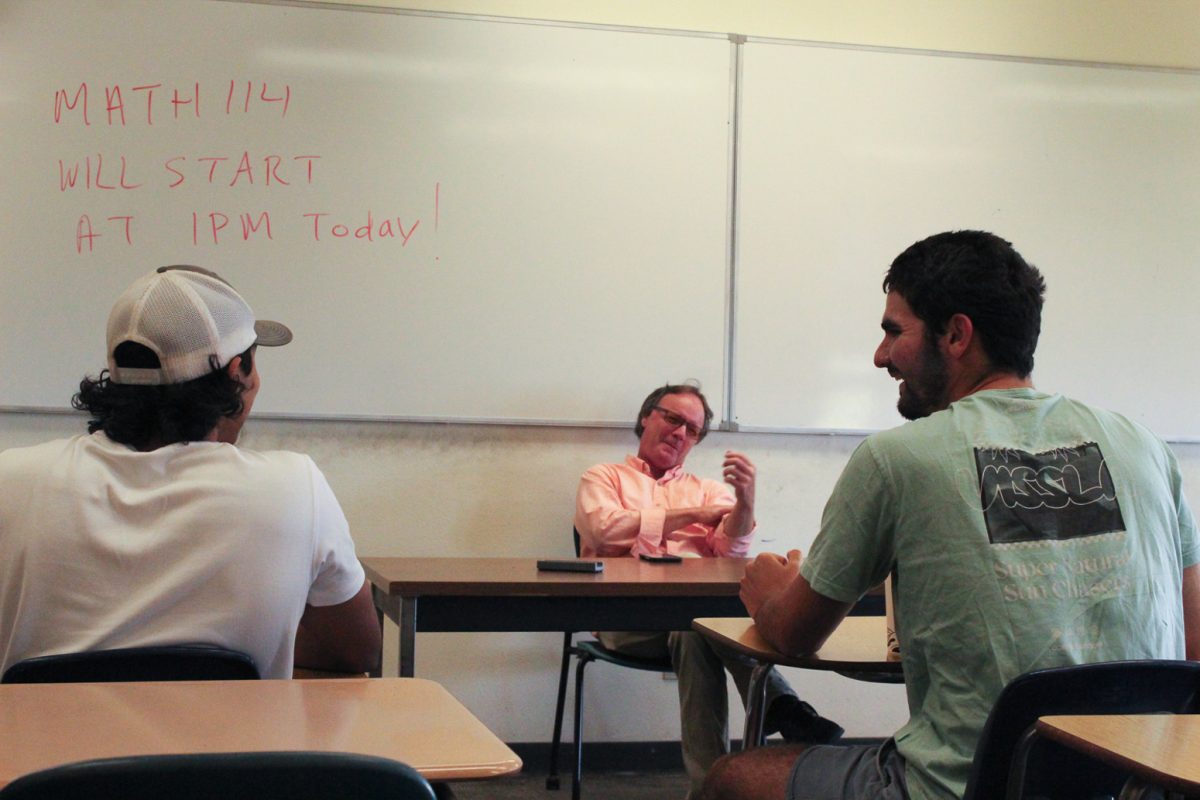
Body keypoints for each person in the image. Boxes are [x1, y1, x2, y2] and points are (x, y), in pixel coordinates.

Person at [701, 230, 1200, 800]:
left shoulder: (896, 460)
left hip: (966, 790)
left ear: (957, 335)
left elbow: (793, 635)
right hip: (1140, 788)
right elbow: (1193, 646)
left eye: (894, 330)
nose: (880, 355)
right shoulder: (1146, 448)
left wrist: (772, 593)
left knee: (731, 780)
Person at [0, 265, 380, 680]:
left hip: (50, 745)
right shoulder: (293, 488)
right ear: (238, 373)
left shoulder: (12, 480)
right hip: (233, 744)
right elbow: (355, 653)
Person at [576, 382, 842, 799]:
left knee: (694, 631)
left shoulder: (710, 489)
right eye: (673, 419)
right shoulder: (603, 477)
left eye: (693, 430)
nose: (682, 433)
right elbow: (603, 529)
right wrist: (692, 515)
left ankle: (709, 789)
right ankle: (783, 709)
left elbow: (731, 550)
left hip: (691, 626)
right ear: (647, 417)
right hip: (624, 621)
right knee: (700, 630)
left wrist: (747, 502)